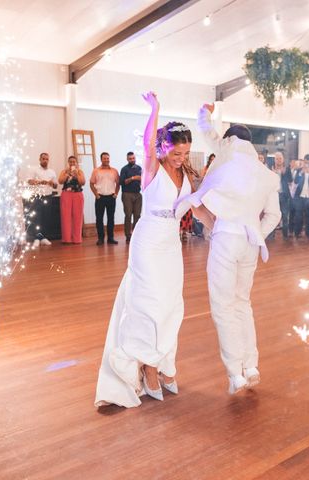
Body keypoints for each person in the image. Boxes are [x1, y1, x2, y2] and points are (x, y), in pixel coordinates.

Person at [95, 92, 194, 408]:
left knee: (170, 305)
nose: (182, 157)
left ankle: (163, 363)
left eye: (186, 152)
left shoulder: (186, 172)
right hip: (148, 242)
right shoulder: (153, 166)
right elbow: (149, 142)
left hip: (171, 244)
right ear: (166, 148)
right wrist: (155, 109)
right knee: (149, 305)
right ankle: (149, 367)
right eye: (178, 152)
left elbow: (197, 203)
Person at [176, 103, 281, 395]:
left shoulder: (227, 152)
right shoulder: (263, 172)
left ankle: (235, 372)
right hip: (250, 242)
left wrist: (203, 113)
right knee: (242, 303)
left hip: (226, 238)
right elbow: (275, 216)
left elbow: (207, 131)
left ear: (231, 138)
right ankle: (252, 365)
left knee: (223, 306)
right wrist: (257, 233)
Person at [27, 152, 58, 248]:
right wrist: (39, 182)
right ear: (40, 159)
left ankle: (43, 238)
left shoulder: (52, 171)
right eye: (43, 159)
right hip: (37, 197)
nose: (45, 160)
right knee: (37, 218)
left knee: (46, 218)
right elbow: (29, 181)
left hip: (48, 196)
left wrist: (51, 183)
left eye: (46, 159)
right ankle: (36, 238)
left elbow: (56, 185)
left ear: (48, 160)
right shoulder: (34, 170)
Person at [90, 152, 120, 245]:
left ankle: (110, 238)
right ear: (101, 159)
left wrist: (116, 193)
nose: (106, 160)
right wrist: (96, 195)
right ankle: (101, 238)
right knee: (99, 218)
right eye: (104, 158)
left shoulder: (114, 171)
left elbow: (118, 183)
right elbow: (91, 183)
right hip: (100, 197)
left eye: (107, 158)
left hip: (111, 197)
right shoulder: (96, 171)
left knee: (111, 218)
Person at [58, 155, 85, 244]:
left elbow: (83, 182)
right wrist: (68, 173)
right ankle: (66, 239)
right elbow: (60, 181)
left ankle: (77, 239)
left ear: (76, 163)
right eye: (71, 162)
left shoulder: (80, 171)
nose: (72, 163)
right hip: (66, 194)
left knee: (78, 216)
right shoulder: (64, 171)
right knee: (66, 216)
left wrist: (76, 174)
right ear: (68, 163)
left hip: (77, 194)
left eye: (74, 162)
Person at [119, 151, 142, 244]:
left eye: (133, 158)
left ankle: (136, 234)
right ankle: (128, 235)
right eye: (130, 158)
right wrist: (133, 178)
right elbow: (122, 182)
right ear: (127, 159)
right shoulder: (124, 169)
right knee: (128, 215)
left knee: (137, 215)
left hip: (138, 194)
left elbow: (143, 179)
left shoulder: (139, 168)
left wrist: (140, 178)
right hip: (127, 194)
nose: (132, 160)